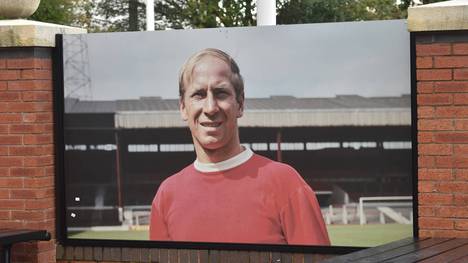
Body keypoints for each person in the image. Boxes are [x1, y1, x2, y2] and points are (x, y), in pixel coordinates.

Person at [149, 48, 330, 245]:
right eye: (199, 95)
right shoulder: (167, 195)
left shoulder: (286, 183)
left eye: (221, 93)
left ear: (240, 104)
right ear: (183, 107)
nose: (210, 108)